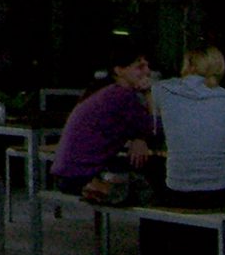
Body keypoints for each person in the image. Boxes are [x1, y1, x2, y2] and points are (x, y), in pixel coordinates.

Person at [49, 45, 156, 199]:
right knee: (156, 177)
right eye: (140, 67)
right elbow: (154, 127)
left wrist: (140, 137)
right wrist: (148, 93)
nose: (147, 72)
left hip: (68, 173)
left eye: (147, 66)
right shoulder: (122, 96)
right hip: (83, 177)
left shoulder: (106, 92)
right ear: (119, 70)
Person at [153, 47, 225, 207]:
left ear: (188, 65)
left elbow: (153, 85)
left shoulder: (164, 93)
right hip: (219, 191)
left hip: (176, 189)